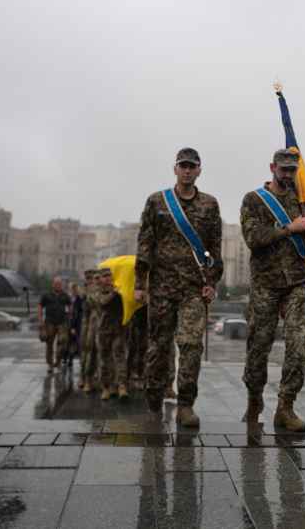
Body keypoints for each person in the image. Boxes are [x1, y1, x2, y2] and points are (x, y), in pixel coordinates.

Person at [135, 147, 223, 427]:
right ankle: (153, 397)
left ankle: (186, 404)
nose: (187, 170)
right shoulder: (157, 202)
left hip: (193, 291)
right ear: (175, 169)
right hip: (160, 288)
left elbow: (214, 249)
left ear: (199, 170)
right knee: (158, 348)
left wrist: (212, 283)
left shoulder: (210, 205)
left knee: (191, 346)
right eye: (182, 166)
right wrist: (140, 284)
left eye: (192, 166)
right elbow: (145, 243)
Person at [239, 149, 305, 431]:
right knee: (258, 346)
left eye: (292, 170)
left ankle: (285, 406)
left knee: (298, 345)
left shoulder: (304, 201)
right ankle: (254, 399)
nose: (288, 175)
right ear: (272, 167)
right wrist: (289, 228)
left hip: (298, 281)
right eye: (284, 169)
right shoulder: (254, 200)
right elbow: (254, 238)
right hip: (266, 282)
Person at [95, 268, 128, 400]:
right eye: (104, 276)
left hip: (118, 330)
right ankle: (106, 387)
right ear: (100, 279)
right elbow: (103, 302)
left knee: (120, 357)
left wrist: (121, 292)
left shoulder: (119, 290)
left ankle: (121, 386)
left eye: (109, 275)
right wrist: (115, 292)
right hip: (103, 331)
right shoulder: (97, 292)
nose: (107, 278)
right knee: (104, 360)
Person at [38, 277, 71, 374]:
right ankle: (50, 365)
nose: (58, 285)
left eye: (60, 284)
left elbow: (70, 306)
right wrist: (40, 321)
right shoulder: (46, 295)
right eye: (56, 283)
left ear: (62, 285)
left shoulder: (65, 295)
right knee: (49, 344)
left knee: (63, 342)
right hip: (49, 322)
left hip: (62, 323)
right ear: (53, 284)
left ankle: (58, 361)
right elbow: (40, 306)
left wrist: (69, 316)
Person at [80, 270, 101, 392]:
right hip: (91, 326)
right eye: (91, 278)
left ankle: (99, 379)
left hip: (102, 326)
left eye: (94, 278)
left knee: (102, 354)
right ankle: (86, 378)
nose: (93, 280)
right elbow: (86, 312)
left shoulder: (103, 290)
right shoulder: (88, 293)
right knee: (89, 353)